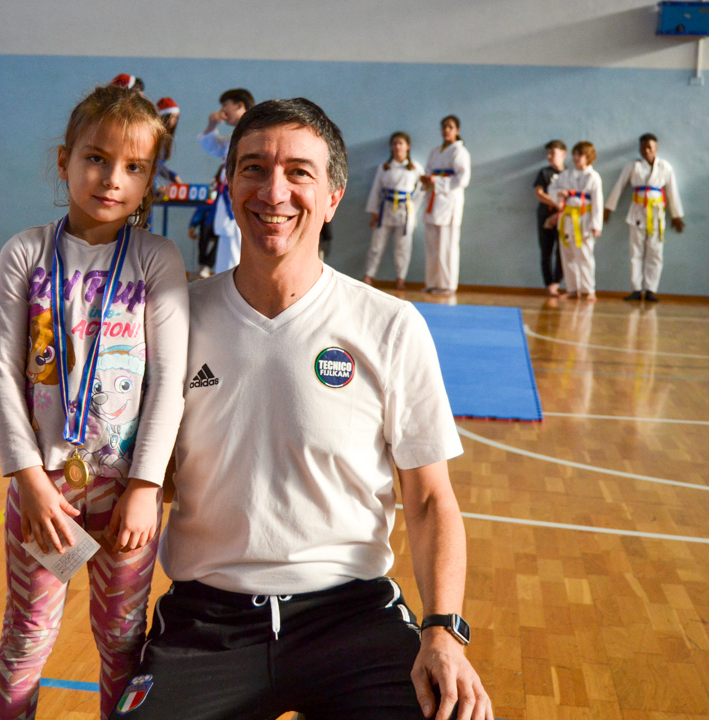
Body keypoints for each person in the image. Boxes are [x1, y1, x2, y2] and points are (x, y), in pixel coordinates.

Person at [111, 98, 491, 720]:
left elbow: (427, 499)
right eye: (254, 169)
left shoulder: (389, 325)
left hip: (352, 616)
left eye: (299, 173)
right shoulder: (175, 319)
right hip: (207, 620)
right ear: (229, 183)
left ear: (333, 196)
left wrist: (444, 631)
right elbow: (157, 472)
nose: (274, 191)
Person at [0, 84, 189, 720]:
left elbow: (169, 381)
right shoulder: (25, 254)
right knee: (28, 636)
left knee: (123, 643)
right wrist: (29, 482)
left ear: (150, 178)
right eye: (96, 158)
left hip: (125, 496)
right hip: (46, 494)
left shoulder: (156, 260)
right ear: (64, 160)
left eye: (134, 166)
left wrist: (145, 487)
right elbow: (2, 374)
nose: (112, 179)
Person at [603, 133, 685, 302]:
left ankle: (650, 290)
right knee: (636, 252)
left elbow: (672, 191)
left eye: (650, 147)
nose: (646, 151)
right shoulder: (632, 166)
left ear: (656, 148)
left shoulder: (665, 167)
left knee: (655, 252)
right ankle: (636, 289)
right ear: (639, 149)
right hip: (637, 213)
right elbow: (619, 186)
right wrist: (608, 208)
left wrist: (676, 215)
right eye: (643, 147)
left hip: (657, 214)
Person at [198, 87, 255, 276]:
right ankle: (227, 284)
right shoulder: (235, 137)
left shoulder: (254, 133)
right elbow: (213, 147)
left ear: (239, 105)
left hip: (241, 199)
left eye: (225, 105)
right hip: (227, 199)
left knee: (235, 247)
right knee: (226, 245)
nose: (223, 110)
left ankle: (236, 287)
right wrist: (211, 125)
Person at [363, 131, 425, 290]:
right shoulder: (385, 167)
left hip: (405, 211)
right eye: (395, 144)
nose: (397, 147)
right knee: (376, 245)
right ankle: (369, 275)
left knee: (402, 247)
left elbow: (423, 188)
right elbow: (376, 189)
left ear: (407, 146)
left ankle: (400, 278)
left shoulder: (415, 168)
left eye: (400, 143)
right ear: (391, 147)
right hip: (385, 209)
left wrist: (413, 207)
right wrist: (374, 212)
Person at [421, 115, 471, 295]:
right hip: (433, 201)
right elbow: (428, 171)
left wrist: (437, 181)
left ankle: (448, 285)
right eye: (444, 127)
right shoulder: (435, 151)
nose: (446, 130)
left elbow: (463, 179)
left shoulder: (460, 151)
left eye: (450, 127)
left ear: (457, 130)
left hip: (449, 203)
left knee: (447, 246)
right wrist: (426, 180)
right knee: (432, 246)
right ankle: (432, 283)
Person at [549, 141, 603, 302]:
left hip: (584, 220)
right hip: (567, 219)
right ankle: (572, 289)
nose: (576, 158)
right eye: (575, 154)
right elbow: (552, 189)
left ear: (589, 157)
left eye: (580, 155)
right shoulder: (565, 175)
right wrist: (560, 193)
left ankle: (588, 290)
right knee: (568, 255)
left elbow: (598, 202)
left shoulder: (593, 177)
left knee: (585, 256)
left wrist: (596, 225)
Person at [533, 140, 566, 296]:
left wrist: (561, 209)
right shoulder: (544, 173)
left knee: (562, 251)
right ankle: (548, 283)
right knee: (546, 251)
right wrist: (555, 203)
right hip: (545, 215)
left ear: (563, 154)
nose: (550, 156)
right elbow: (539, 193)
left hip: (564, 216)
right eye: (548, 153)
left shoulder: (569, 174)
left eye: (553, 153)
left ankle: (556, 283)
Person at [152, 97, 183, 193]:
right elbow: (151, 166)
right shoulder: (154, 138)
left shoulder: (166, 139)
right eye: (172, 117)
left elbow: (159, 165)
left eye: (176, 118)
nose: (174, 121)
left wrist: (173, 176)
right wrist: (156, 188)